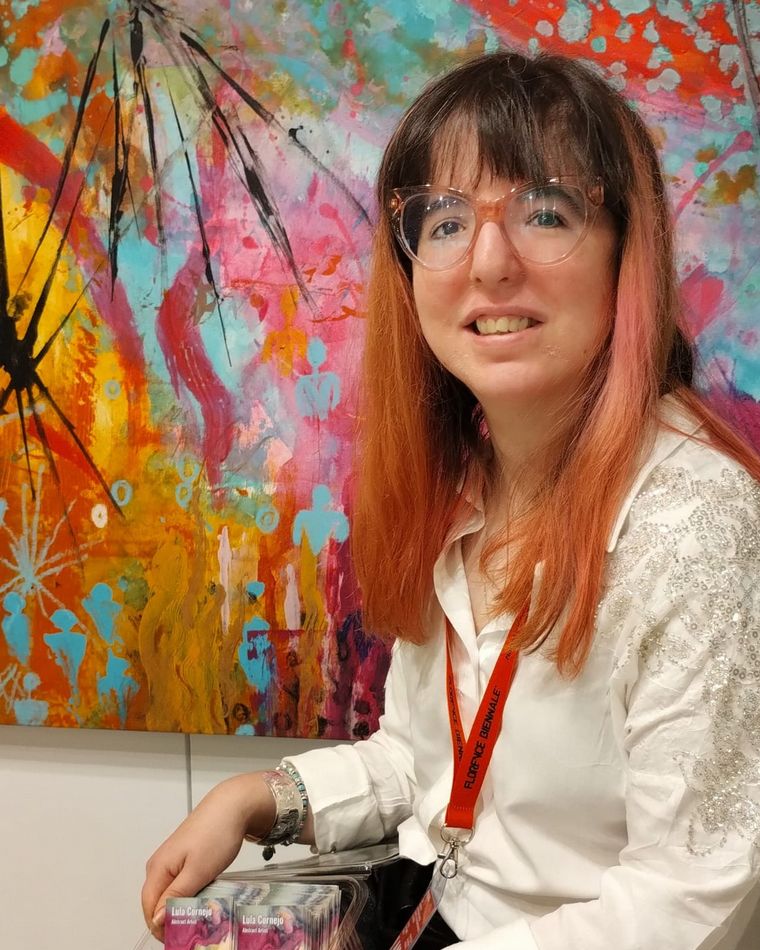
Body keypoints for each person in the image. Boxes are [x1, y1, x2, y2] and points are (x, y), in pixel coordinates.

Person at [142, 50, 760, 949]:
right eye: (445, 221)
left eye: (545, 212)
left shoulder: (700, 523)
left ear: (627, 253)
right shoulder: (464, 481)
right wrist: (261, 798)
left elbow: (692, 897)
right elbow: (425, 762)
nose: (489, 263)